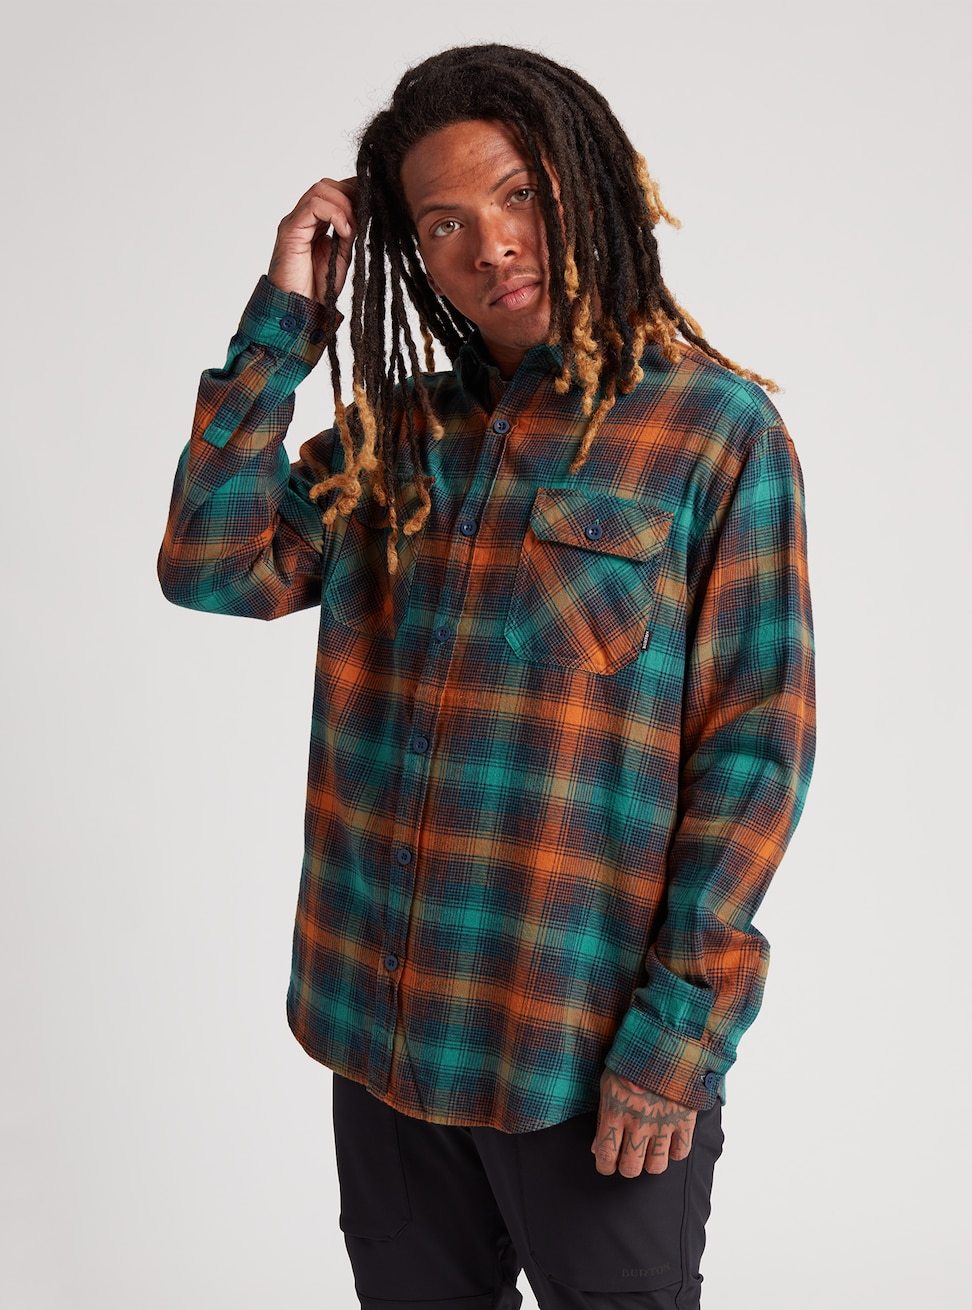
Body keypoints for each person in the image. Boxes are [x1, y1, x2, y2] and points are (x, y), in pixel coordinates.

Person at [157, 41, 816, 1310]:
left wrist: (679, 1035)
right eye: (443, 221)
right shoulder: (393, 435)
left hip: (585, 1057)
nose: (491, 245)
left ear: (587, 184)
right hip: (381, 1031)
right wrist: (286, 323)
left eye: (519, 195)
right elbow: (210, 563)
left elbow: (755, 751)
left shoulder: (715, 432)